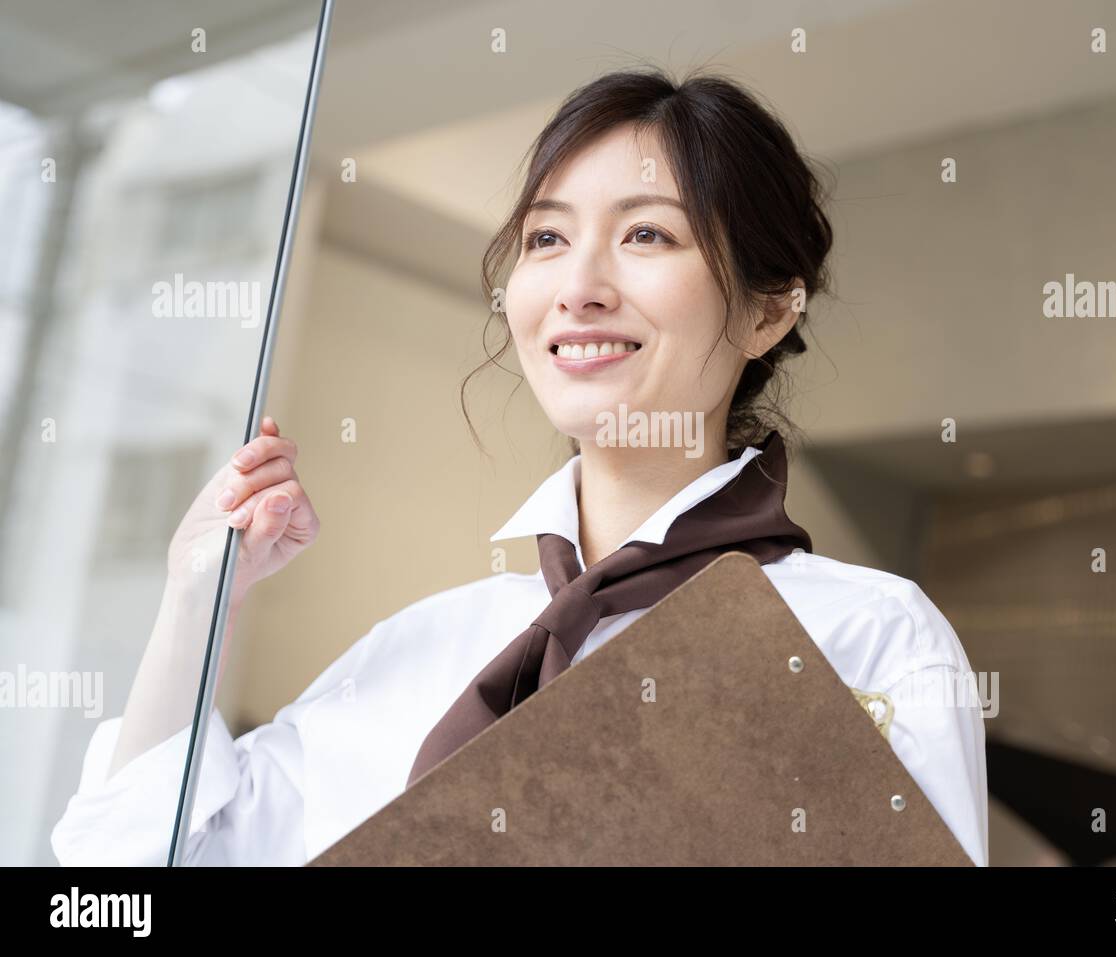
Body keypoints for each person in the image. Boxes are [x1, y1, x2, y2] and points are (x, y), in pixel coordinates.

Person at [51, 67, 988, 867]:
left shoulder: (864, 638)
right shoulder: (419, 646)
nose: (578, 285)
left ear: (767, 312)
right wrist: (194, 602)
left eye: (647, 234)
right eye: (546, 238)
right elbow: (130, 874)